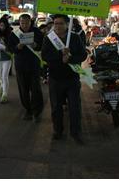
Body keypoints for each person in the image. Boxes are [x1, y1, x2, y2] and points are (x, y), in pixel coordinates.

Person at [41, 14, 87, 144]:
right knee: (56, 107)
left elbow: (83, 55)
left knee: (75, 107)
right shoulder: (49, 38)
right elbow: (45, 56)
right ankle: (58, 130)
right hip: (55, 78)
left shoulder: (75, 38)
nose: (58, 26)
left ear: (67, 25)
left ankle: (76, 132)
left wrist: (71, 58)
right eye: (55, 23)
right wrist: (60, 55)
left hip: (72, 78)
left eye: (61, 23)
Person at [9, 14, 44, 122]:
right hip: (20, 65)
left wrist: (36, 45)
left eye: (26, 23)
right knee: (23, 89)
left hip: (34, 64)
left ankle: (36, 112)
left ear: (30, 22)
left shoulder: (37, 32)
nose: (24, 25)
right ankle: (27, 110)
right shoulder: (14, 34)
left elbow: (42, 45)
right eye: (22, 23)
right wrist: (17, 47)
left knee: (36, 89)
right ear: (19, 23)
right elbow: (11, 48)